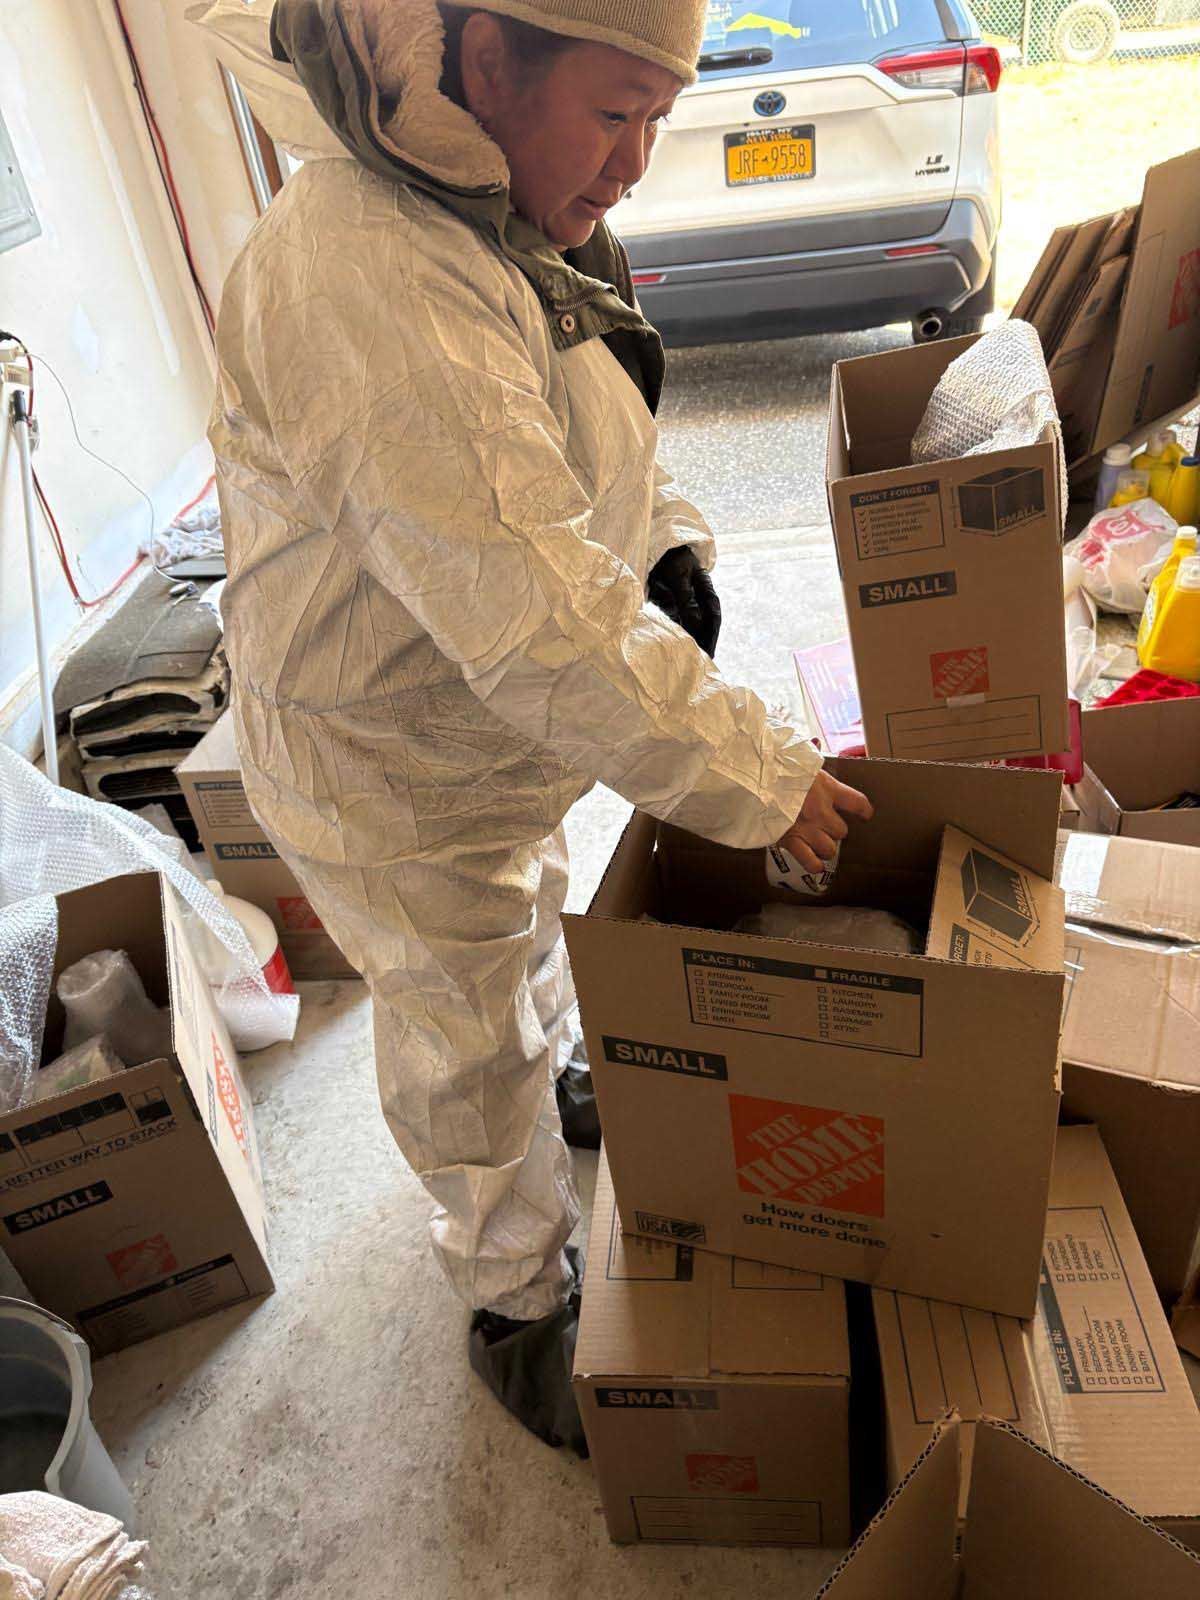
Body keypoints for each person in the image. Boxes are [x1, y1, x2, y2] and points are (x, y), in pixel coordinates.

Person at [197, 0, 873, 1455]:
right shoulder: (367, 271)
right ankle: (514, 1299)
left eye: (658, 120)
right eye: (614, 114)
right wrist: (760, 774)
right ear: (488, 62)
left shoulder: (504, 200)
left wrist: (667, 542)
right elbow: (530, 610)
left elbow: (585, 418)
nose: (633, 164)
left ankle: (560, 1062)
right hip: (388, 754)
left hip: (485, 730)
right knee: (461, 1024)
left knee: (529, 915)